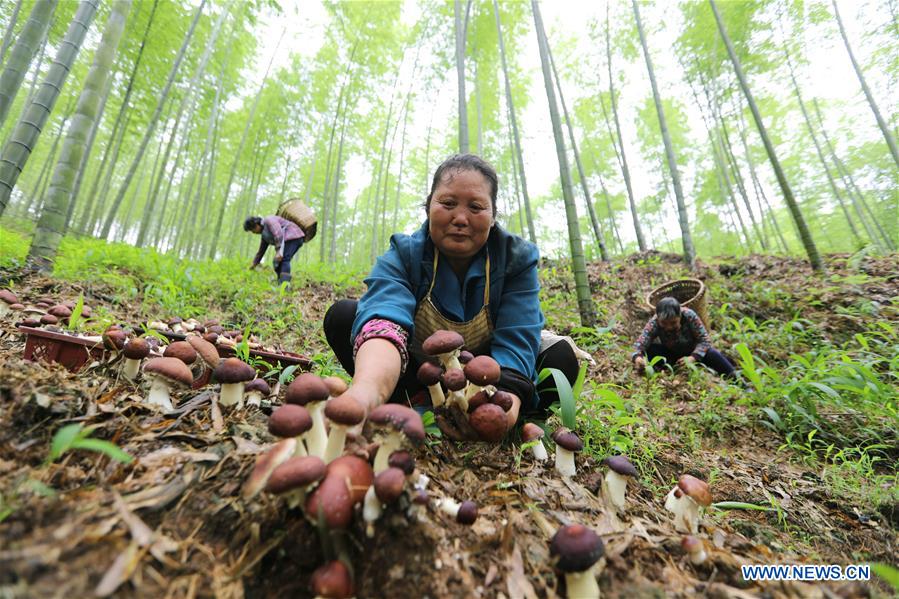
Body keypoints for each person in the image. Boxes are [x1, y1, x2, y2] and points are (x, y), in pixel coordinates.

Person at [323, 154, 579, 441]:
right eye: (447, 203)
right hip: (416, 371)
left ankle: (514, 423)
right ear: (428, 206)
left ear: (493, 216)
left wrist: (503, 405)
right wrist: (366, 393)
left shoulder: (515, 258)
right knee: (344, 317)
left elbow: (517, 337)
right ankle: (413, 402)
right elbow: (384, 319)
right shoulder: (405, 254)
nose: (460, 218)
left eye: (476, 207)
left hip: (488, 379)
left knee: (560, 357)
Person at [632, 297, 735, 377]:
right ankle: (671, 369)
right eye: (664, 323)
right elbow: (640, 343)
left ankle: (736, 378)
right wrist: (638, 357)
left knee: (713, 353)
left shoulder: (689, 315)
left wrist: (692, 357)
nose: (669, 327)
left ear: (680, 316)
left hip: (695, 353)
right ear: (658, 319)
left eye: (673, 323)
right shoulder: (654, 323)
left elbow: (704, 340)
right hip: (672, 355)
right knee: (650, 349)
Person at [244, 215, 305, 285]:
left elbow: (278, 233)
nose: (253, 232)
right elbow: (261, 251)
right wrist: (254, 263)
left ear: (256, 225)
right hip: (288, 240)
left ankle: (284, 285)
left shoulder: (269, 221)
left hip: (294, 236)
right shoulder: (264, 235)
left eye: (252, 230)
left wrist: (279, 251)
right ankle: (280, 283)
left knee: (284, 259)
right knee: (276, 262)